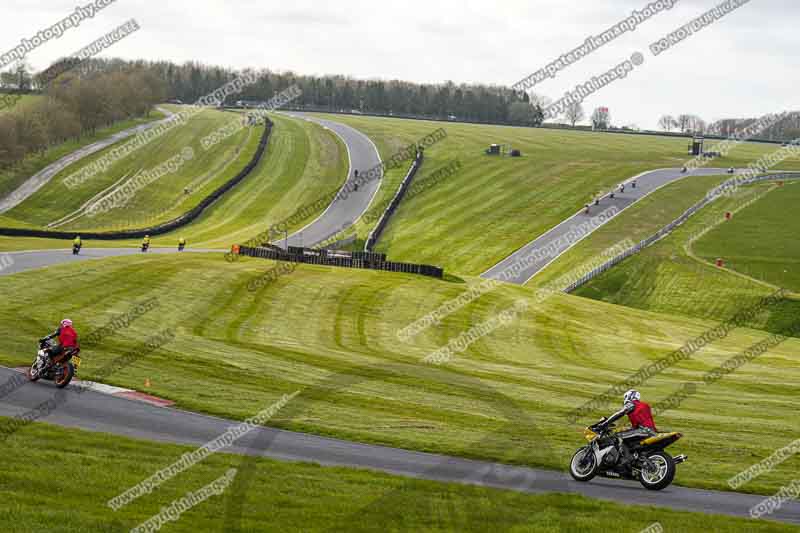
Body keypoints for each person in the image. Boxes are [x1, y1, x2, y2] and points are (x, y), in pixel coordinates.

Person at [599, 389, 657, 465]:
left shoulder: (632, 404)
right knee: (629, 439)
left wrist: (605, 423)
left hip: (643, 430)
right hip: (652, 431)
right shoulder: (645, 405)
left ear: (630, 396)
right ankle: (635, 459)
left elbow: (620, 413)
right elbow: (642, 421)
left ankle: (626, 460)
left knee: (618, 436)